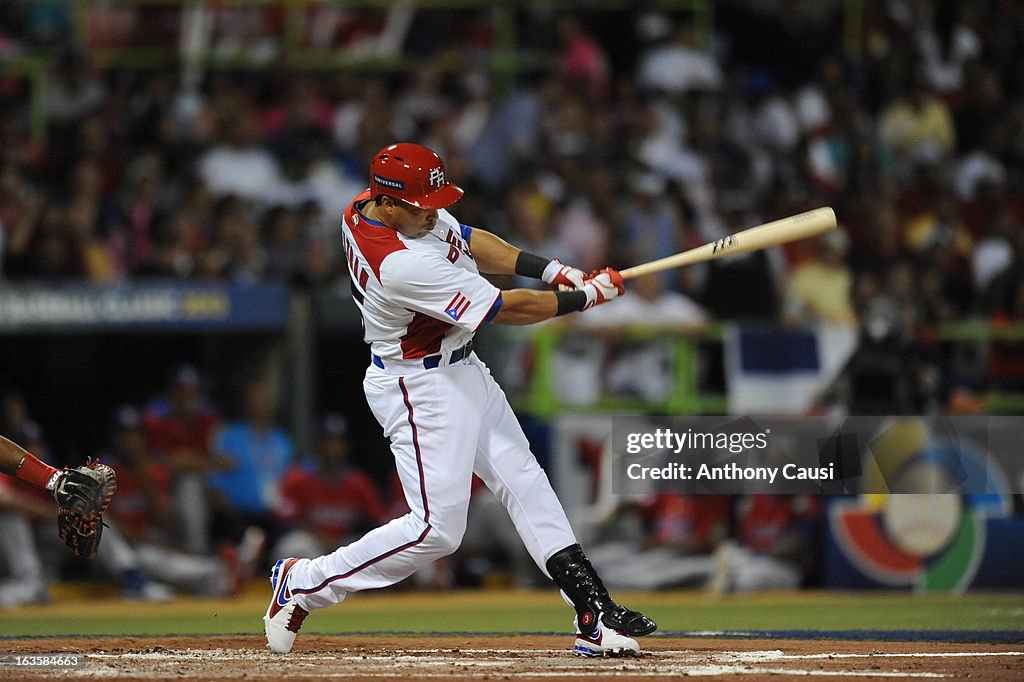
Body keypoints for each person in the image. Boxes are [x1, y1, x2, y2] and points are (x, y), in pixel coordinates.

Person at [264, 142, 656, 658]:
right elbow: (508, 309)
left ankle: (594, 612)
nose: (432, 212)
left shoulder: (379, 204)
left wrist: (549, 268)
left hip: (461, 366)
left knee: (525, 480)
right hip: (417, 386)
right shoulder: (398, 264)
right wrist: (586, 298)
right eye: (422, 204)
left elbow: (467, 240)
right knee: (437, 530)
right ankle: (304, 582)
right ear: (389, 202)